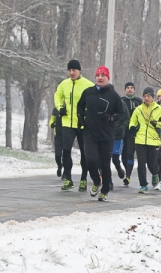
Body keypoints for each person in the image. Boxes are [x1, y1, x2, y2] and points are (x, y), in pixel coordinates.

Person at [76, 66, 124, 202]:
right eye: (98, 75)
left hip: (106, 134)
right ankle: (96, 182)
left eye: (103, 75)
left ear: (108, 78)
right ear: (95, 77)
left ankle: (104, 190)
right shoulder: (88, 92)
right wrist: (80, 118)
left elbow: (121, 114)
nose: (100, 77)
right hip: (90, 132)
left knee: (104, 164)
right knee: (90, 160)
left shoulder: (113, 95)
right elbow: (80, 106)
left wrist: (110, 118)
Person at [54, 59, 94, 191]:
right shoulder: (63, 84)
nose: (71, 73)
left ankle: (83, 178)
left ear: (79, 71)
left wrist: (86, 115)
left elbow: (93, 102)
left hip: (82, 123)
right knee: (66, 151)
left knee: (84, 152)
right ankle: (68, 179)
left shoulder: (88, 84)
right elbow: (57, 96)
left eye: (74, 70)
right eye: (69, 70)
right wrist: (60, 107)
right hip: (67, 122)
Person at [128, 87, 161, 193]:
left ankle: (155, 174)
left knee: (152, 164)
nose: (146, 98)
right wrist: (133, 127)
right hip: (140, 140)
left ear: (152, 97)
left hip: (154, 141)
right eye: (145, 96)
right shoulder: (138, 109)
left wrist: (158, 124)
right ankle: (143, 185)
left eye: (149, 96)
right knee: (141, 163)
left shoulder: (160, 109)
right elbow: (132, 121)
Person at [121, 82, 142, 186]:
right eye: (128, 88)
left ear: (134, 89)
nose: (129, 89)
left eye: (131, 88)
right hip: (122, 131)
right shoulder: (121, 100)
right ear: (125, 89)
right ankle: (126, 170)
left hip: (133, 132)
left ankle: (128, 176)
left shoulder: (138, 101)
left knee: (130, 153)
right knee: (123, 155)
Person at [109, 96, 130, 190]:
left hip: (118, 135)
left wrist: (122, 128)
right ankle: (108, 181)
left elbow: (127, 117)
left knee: (115, 158)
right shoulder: (102, 102)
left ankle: (119, 168)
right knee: (104, 160)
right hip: (106, 134)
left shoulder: (121, 103)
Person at [49, 107, 64, 179]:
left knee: (66, 154)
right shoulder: (55, 109)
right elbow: (52, 119)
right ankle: (59, 166)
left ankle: (66, 172)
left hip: (68, 135)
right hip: (58, 135)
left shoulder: (69, 108)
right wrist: (52, 123)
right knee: (57, 155)